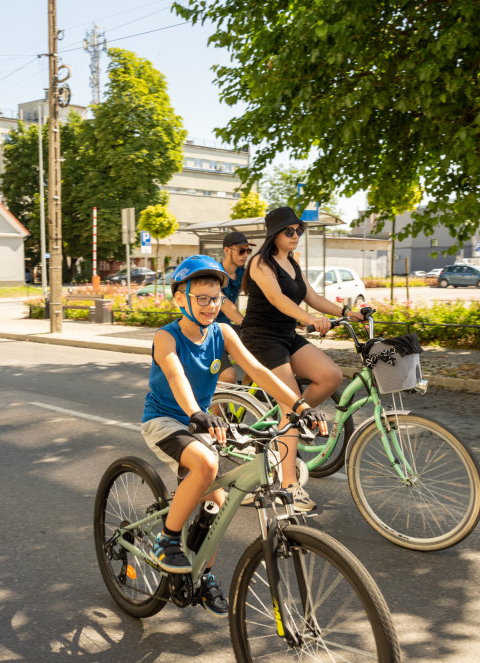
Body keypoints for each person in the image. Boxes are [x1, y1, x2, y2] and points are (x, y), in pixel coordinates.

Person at [141, 255, 326, 617]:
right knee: (207, 465)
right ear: (181, 300)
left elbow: (258, 370)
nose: (212, 306)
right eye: (202, 298)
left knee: (218, 504)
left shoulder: (224, 333)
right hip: (167, 420)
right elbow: (176, 376)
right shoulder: (167, 336)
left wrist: (300, 406)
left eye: (217, 298)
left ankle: (200, 574)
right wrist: (196, 412)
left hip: (202, 422)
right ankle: (166, 538)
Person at [239, 206, 366, 512]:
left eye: (299, 231)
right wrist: (309, 320)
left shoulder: (293, 261)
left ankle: (289, 422)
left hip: (287, 335)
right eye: (289, 231)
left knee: (330, 376)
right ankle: (288, 487)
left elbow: (312, 296)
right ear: (274, 234)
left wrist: (348, 313)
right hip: (261, 337)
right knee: (292, 405)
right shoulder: (259, 262)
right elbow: (276, 298)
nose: (296, 236)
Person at [215, 231, 254, 385]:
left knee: (262, 346)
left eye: (248, 251)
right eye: (241, 251)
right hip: (208, 334)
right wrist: (247, 323)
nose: (245, 255)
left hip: (228, 330)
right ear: (227, 251)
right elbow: (227, 307)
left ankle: (246, 391)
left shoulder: (241, 272)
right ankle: (217, 409)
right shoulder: (215, 273)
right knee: (228, 377)